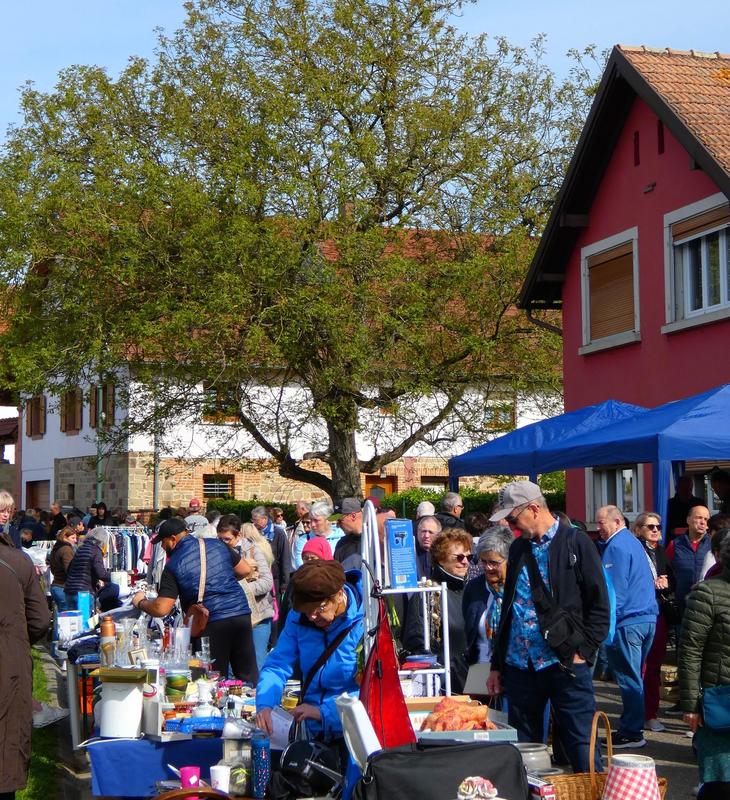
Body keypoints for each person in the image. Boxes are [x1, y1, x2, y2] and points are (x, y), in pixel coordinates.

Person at [487, 481, 610, 774]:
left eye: (513, 518)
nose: (511, 524)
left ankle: (591, 793)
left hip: (564, 661)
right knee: (524, 749)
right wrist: (497, 665)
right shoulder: (517, 548)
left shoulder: (576, 542)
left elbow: (600, 604)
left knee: (582, 744)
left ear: (533, 509)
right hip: (520, 665)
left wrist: (584, 651)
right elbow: (508, 608)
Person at [255, 560, 363, 753]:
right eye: (307, 611)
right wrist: (265, 705)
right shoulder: (299, 619)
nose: (312, 617)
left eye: (320, 608)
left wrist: (324, 713)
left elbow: (374, 690)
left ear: (339, 595)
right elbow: (277, 665)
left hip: (353, 732)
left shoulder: (367, 621)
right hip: (312, 733)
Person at [132, 517, 258, 681]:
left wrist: (141, 602)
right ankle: (255, 705)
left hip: (211, 621)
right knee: (248, 676)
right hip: (240, 613)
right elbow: (245, 570)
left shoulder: (173, 565)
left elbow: (161, 608)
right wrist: (220, 578)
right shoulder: (218, 545)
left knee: (212, 680)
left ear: (172, 539)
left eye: (162, 542)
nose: (162, 547)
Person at [595, 505, 657, 749]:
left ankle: (632, 732)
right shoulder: (633, 543)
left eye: (602, 523)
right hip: (646, 617)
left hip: (629, 620)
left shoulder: (617, 546)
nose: (598, 528)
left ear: (618, 521)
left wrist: (604, 624)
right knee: (634, 676)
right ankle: (633, 728)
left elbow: (614, 591)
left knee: (629, 677)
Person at [0, 523, 52, 800]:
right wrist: (17, 642)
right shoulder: (17, 559)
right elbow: (40, 620)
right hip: (8, 662)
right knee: (6, 744)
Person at [679, 535, 730, 800]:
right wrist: (689, 704)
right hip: (720, 704)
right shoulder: (708, 593)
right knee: (718, 782)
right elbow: (689, 651)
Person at [403, 528, 473, 693]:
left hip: (476, 680)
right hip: (445, 684)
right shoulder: (426, 594)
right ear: (441, 560)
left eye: (469, 557)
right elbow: (417, 642)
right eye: (459, 557)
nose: (465, 562)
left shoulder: (471, 590)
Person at [634, 512, 676, 733]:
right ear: (639, 528)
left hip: (658, 611)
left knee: (654, 665)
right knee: (639, 667)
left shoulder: (661, 551)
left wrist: (665, 582)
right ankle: (637, 714)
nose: (655, 530)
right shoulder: (634, 550)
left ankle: (650, 713)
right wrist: (650, 582)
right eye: (650, 526)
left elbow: (671, 581)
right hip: (638, 613)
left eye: (658, 527)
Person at [217, 517, 275, 670]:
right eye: (220, 539)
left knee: (257, 662)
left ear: (238, 536)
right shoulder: (217, 553)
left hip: (258, 616)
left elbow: (267, 582)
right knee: (231, 665)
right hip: (231, 616)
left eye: (227, 539)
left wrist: (239, 589)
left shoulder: (253, 551)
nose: (223, 543)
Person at [463, 526, 513, 667]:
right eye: (484, 561)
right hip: (480, 667)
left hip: (515, 670)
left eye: (494, 562)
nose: (488, 567)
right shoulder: (473, 588)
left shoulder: (520, 588)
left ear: (509, 560)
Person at [667, 505, 712, 607]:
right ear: (688, 520)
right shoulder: (675, 544)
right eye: (699, 517)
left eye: (706, 519)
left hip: (707, 604)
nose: (703, 522)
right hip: (681, 604)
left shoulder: (714, 545)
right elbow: (666, 571)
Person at [64, 527, 115, 609]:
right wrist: (116, 577)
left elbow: (69, 569)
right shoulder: (96, 551)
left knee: (72, 620)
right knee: (85, 620)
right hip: (84, 593)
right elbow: (101, 573)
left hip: (69, 590)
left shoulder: (80, 548)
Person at [251, 505, 292, 598]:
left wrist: (285, 583)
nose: (253, 523)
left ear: (264, 518)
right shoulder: (253, 533)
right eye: (252, 520)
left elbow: (285, 558)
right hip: (259, 578)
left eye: (255, 520)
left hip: (275, 579)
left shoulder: (278, 533)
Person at [292, 501, 344, 569]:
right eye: (311, 520)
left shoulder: (342, 537)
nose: (312, 525)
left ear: (328, 520)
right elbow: (300, 566)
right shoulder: (303, 540)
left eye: (316, 520)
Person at [49, 526, 79, 613]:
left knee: (62, 617)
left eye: (75, 538)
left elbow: (53, 569)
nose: (75, 540)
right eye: (72, 538)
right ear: (65, 537)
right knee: (67, 619)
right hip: (63, 588)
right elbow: (70, 570)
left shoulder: (56, 548)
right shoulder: (66, 549)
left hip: (56, 586)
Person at [667, 476, 705, 541]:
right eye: (684, 489)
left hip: (696, 540)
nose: (686, 492)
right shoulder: (669, 504)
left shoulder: (699, 503)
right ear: (677, 489)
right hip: (674, 540)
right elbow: (665, 525)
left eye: (689, 489)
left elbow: (705, 522)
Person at [333, 498, 363, 564]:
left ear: (353, 516)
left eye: (340, 521)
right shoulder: (341, 544)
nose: (337, 525)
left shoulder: (375, 540)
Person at [414, 515, 441, 579]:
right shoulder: (409, 553)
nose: (426, 536)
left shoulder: (443, 555)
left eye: (430, 532)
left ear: (438, 535)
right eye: (423, 531)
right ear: (417, 532)